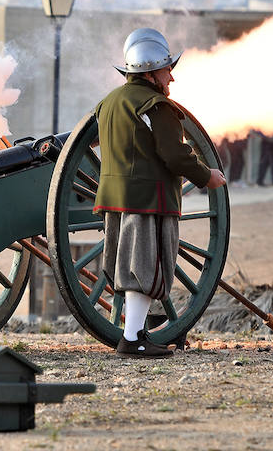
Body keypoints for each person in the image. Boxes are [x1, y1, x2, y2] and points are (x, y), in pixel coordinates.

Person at [94, 28, 226, 358]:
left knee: (130, 267)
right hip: (148, 198)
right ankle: (134, 338)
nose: (172, 78)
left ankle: (137, 333)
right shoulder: (157, 106)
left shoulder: (108, 103)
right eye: (168, 70)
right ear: (152, 72)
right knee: (145, 268)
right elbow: (174, 154)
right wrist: (205, 175)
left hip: (115, 198)